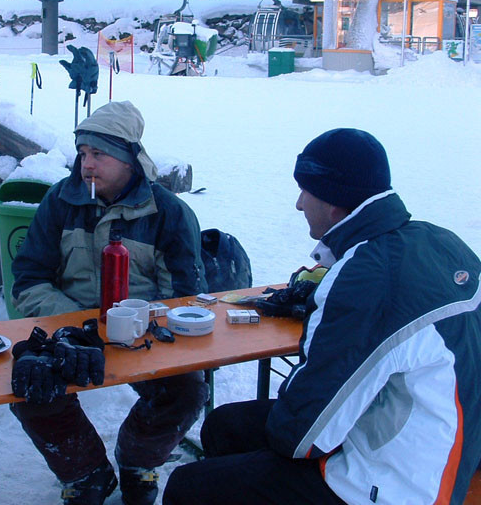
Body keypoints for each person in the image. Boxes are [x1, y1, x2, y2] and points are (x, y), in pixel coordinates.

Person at [164, 128, 481, 505]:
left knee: (189, 487)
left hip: (402, 483)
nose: (299, 204)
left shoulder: (366, 276)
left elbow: (303, 436)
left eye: (306, 190)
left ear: (335, 200)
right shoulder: (439, 241)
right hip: (443, 440)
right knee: (225, 426)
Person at [9, 100, 209, 505]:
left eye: (99, 153)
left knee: (186, 390)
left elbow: (182, 295)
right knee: (31, 386)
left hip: (143, 332)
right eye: (83, 153)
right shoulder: (59, 202)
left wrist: (133, 324)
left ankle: (138, 461)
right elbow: (29, 279)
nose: (87, 164)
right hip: (66, 327)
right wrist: (73, 327)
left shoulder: (168, 212)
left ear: (129, 159)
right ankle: (85, 473)